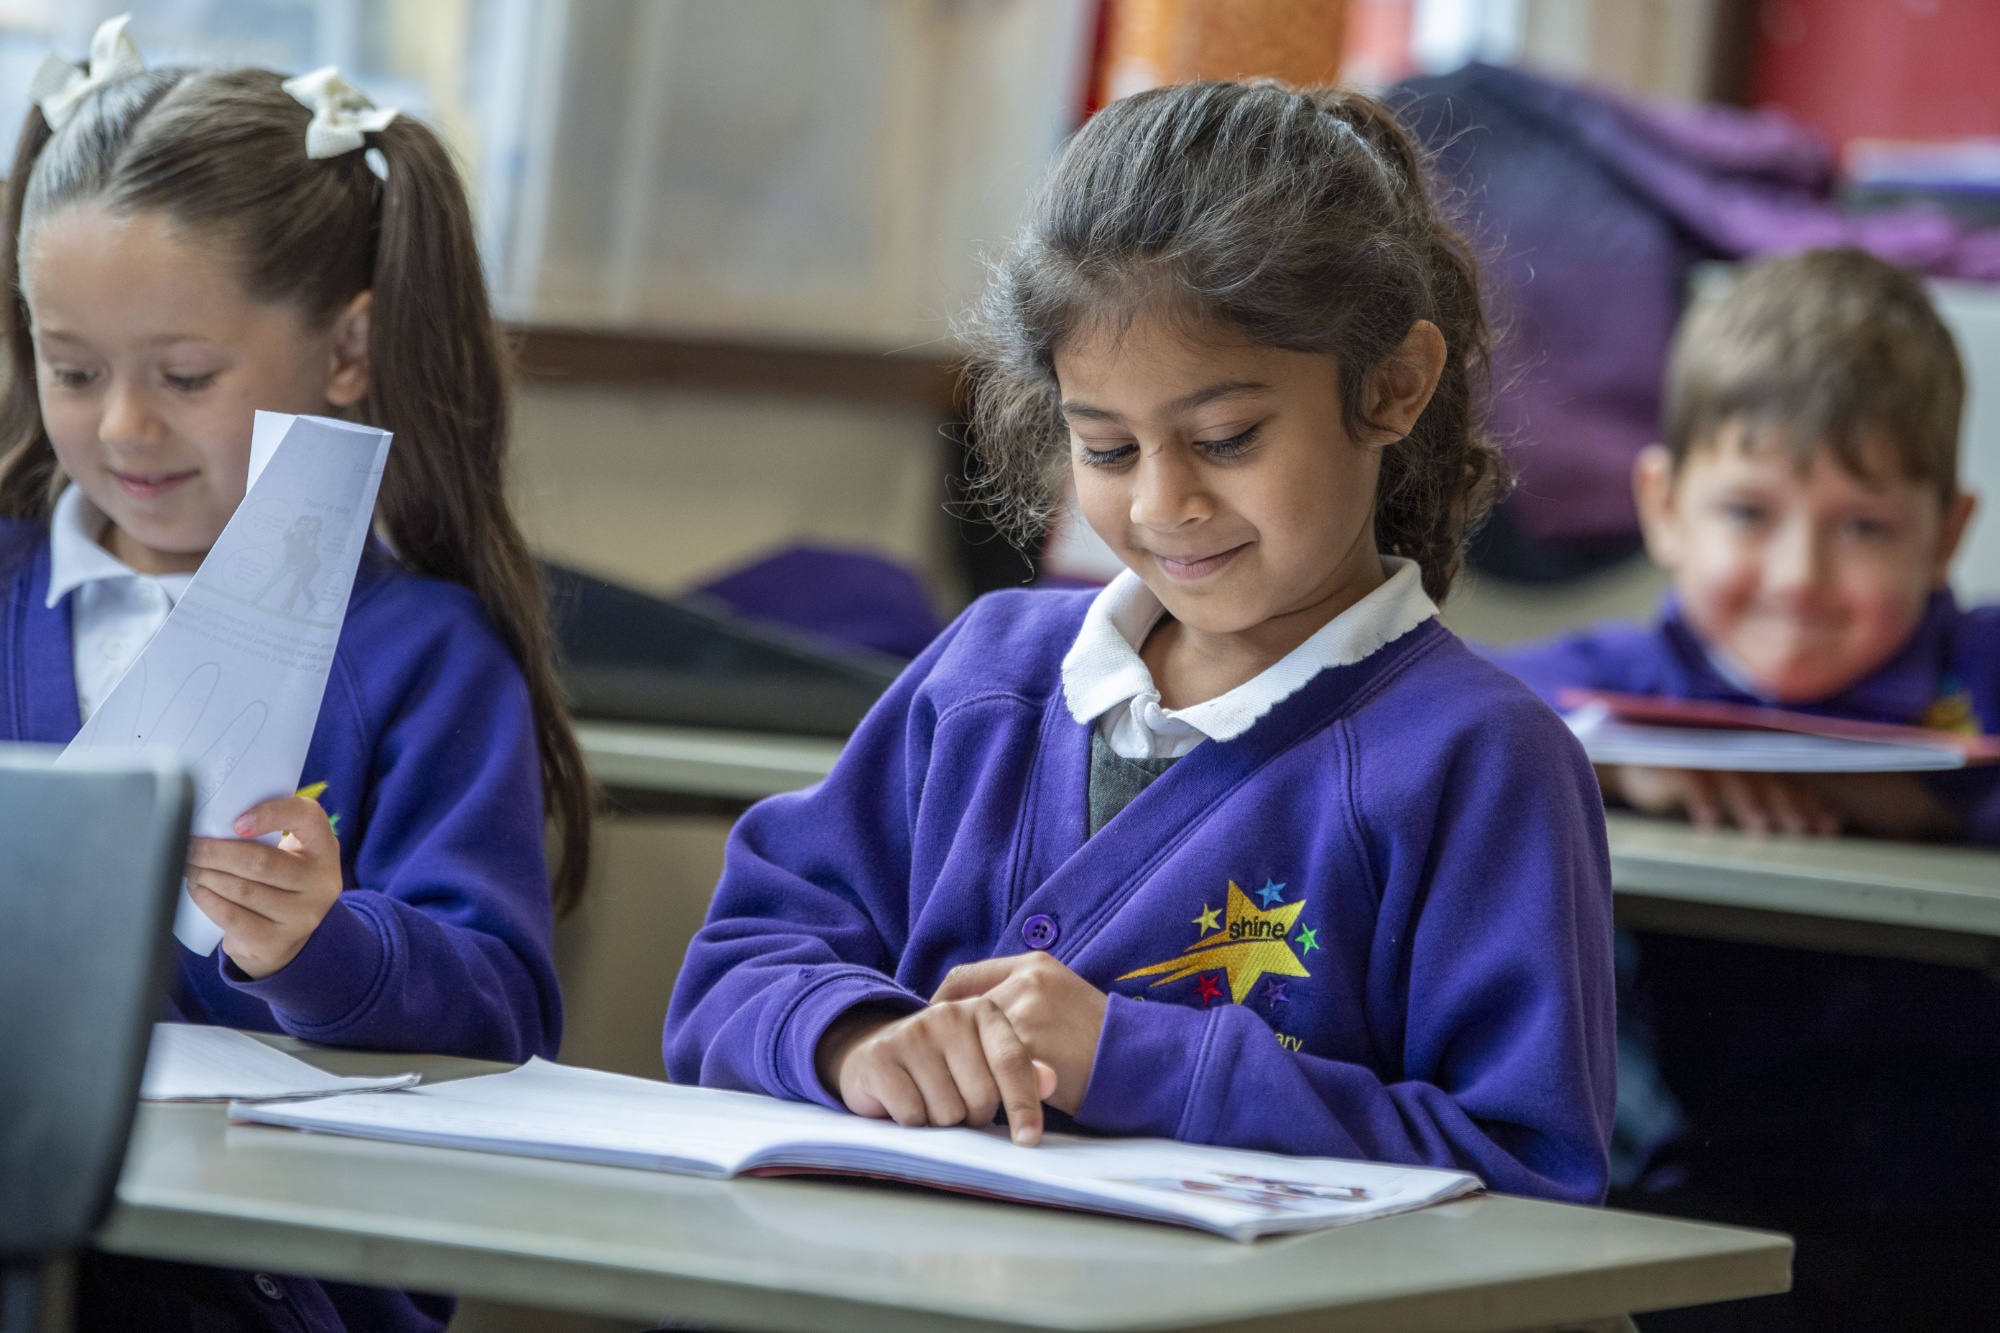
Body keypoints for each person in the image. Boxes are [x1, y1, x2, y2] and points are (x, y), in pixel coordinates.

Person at [666, 80, 1615, 1204]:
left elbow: (1527, 1170)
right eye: (1107, 450)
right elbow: (733, 970)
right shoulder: (985, 678)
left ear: (1394, 386)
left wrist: (1133, 1059)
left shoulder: (1477, 762)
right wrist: (855, 1038)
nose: (1165, 503)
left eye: (1223, 437)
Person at [0, 19, 593, 1332]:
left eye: (186, 375)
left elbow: (500, 1012)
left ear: (345, 352)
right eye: (73, 368)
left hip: (255, 1288)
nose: (123, 426)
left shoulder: (425, 656)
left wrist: (320, 945)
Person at [1487, 249, 2000, 1330]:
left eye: (1862, 525)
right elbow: (1461, 715)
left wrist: (1932, 806)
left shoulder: (1975, 670)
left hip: (1957, 1211)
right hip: (1688, 1199)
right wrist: (1625, 759)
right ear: (1664, 507)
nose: (1797, 574)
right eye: (1747, 513)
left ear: (1944, 536)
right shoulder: (1623, 678)